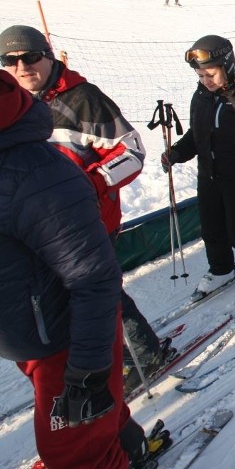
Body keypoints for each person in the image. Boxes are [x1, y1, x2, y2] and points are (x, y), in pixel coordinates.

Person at [0, 70, 165, 469]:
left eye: (30, 56)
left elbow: (131, 152)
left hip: (68, 311)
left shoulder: (77, 106)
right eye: (12, 59)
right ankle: (122, 441)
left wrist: (95, 183)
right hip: (37, 317)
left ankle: (144, 353)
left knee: (73, 449)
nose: (23, 66)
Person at [162, 35, 235, 311]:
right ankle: (222, 268)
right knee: (211, 228)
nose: (205, 80)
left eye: (210, 73)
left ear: (227, 65)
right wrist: (177, 152)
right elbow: (196, 134)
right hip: (208, 175)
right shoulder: (200, 97)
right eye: (200, 75)